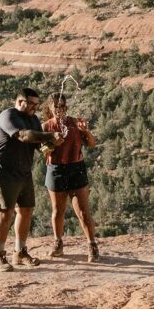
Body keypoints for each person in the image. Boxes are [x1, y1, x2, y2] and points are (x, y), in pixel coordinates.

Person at [0, 87, 63, 272]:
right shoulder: (8, 116)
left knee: (26, 210)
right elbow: (24, 136)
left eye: (37, 104)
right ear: (20, 101)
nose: (34, 108)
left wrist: (53, 144)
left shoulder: (33, 119)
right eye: (31, 104)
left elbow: (39, 148)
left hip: (23, 171)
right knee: (5, 213)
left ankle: (20, 252)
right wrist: (50, 135)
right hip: (2, 172)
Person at [42, 93, 100, 263]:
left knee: (83, 211)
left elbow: (91, 144)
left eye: (62, 105)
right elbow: (42, 151)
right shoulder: (45, 127)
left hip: (76, 168)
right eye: (56, 106)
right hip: (56, 170)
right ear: (50, 108)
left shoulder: (75, 122)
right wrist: (53, 144)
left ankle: (92, 245)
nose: (59, 109)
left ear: (66, 106)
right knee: (58, 211)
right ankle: (58, 244)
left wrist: (86, 131)